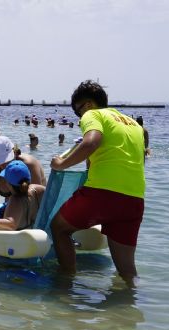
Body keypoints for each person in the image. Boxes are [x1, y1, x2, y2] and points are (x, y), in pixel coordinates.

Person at [50, 80, 145, 281]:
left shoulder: (93, 114)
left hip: (102, 193)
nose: (80, 118)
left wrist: (61, 164)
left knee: (59, 228)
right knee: (127, 270)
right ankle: (130, 307)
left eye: (78, 112)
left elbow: (92, 141)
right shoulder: (134, 124)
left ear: (88, 105)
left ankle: (65, 285)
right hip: (134, 199)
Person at [0, 135, 46, 210]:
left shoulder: (29, 165)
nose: (4, 165)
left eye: (7, 160)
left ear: (14, 152)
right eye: (0, 161)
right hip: (13, 207)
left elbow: (37, 199)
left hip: (39, 205)